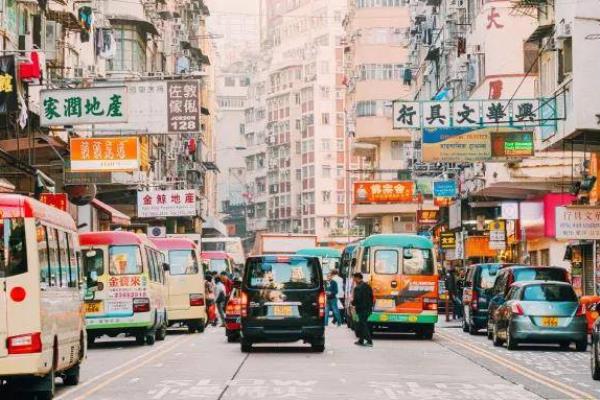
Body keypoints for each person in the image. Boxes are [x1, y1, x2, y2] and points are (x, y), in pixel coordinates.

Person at [351, 272, 374, 347]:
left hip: (361, 309)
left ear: (357, 278)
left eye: (354, 278)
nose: (353, 280)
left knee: (363, 325)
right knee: (361, 324)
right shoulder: (367, 286)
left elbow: (357, 299)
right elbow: (371, 297)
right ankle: (361, 340)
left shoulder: (357, 288)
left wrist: (352, 303)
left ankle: (369, 341)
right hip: (368, 308)